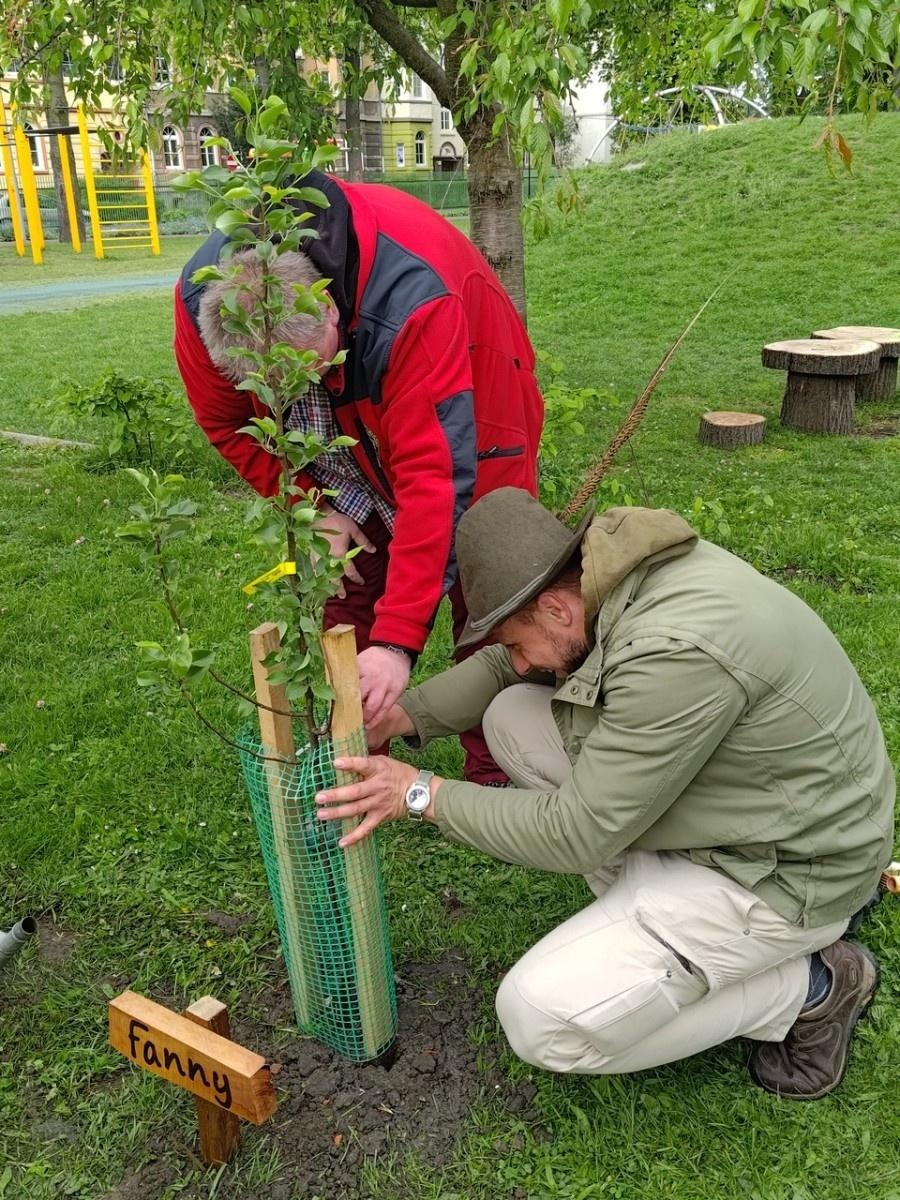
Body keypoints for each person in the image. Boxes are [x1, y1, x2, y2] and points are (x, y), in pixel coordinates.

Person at [315, 488, 895, 1097]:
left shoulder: (672, 653)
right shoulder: (606, 578)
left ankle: (812, 988)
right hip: (762, 810)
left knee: (539, 1020)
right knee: (513, 712)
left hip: (791, 871)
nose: (515, 661)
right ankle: (660, 920)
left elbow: (576, 834)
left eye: (515, 641)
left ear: (555, 609)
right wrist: (401, 715)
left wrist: (419, 794)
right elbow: (500, 672)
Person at [173, 171, 543, 783]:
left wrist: (399, 642)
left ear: (330, 305)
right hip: (348, 419)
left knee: (487, 580)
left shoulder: (410, 300)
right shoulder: (203, 309)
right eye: (285, 383)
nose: (311, 384)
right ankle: (361, 759)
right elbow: (223, 421)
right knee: (346, 574)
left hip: (475, 388)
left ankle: (499, 767)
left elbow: (435, 479)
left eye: (316, 366)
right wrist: (310, 503)